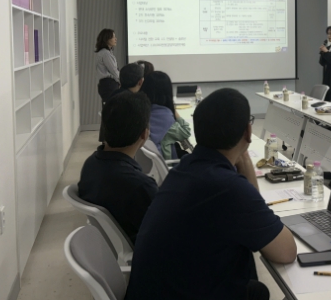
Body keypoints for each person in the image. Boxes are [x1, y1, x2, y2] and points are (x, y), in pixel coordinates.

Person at [125, 88, 297, 300]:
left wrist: (243, 161)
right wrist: (244, 161)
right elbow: (286, 252)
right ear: (248, 131)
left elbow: (254, 213)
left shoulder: (185, 168)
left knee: (257, 290)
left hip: (161, 290)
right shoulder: (228, 187)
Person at [78, 92, 158, 244]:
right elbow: (164, 231)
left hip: (110, 241)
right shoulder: (140, 186)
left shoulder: (90, 164)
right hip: (142, 247)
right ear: (145, 134)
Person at [140, 71, 192, 160]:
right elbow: (186, 132)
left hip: (147, 163)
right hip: (166, 164)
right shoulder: (164, 117)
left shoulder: (141, 110)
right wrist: (175, 113)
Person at [99, 63, 145, 142]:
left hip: (112, 141)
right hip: (126, 143)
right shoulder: (135, 102)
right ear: (141, 81)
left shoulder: (113, 95)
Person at [94, 28, 119, 105]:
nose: (115, 39)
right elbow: (114, 71)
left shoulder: (105, 52)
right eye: (113, 37)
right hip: (109, 85)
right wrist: (122, 82)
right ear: (107, 39)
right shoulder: (106, 54)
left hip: (106, 85)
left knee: (108, 108)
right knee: (112, 108)